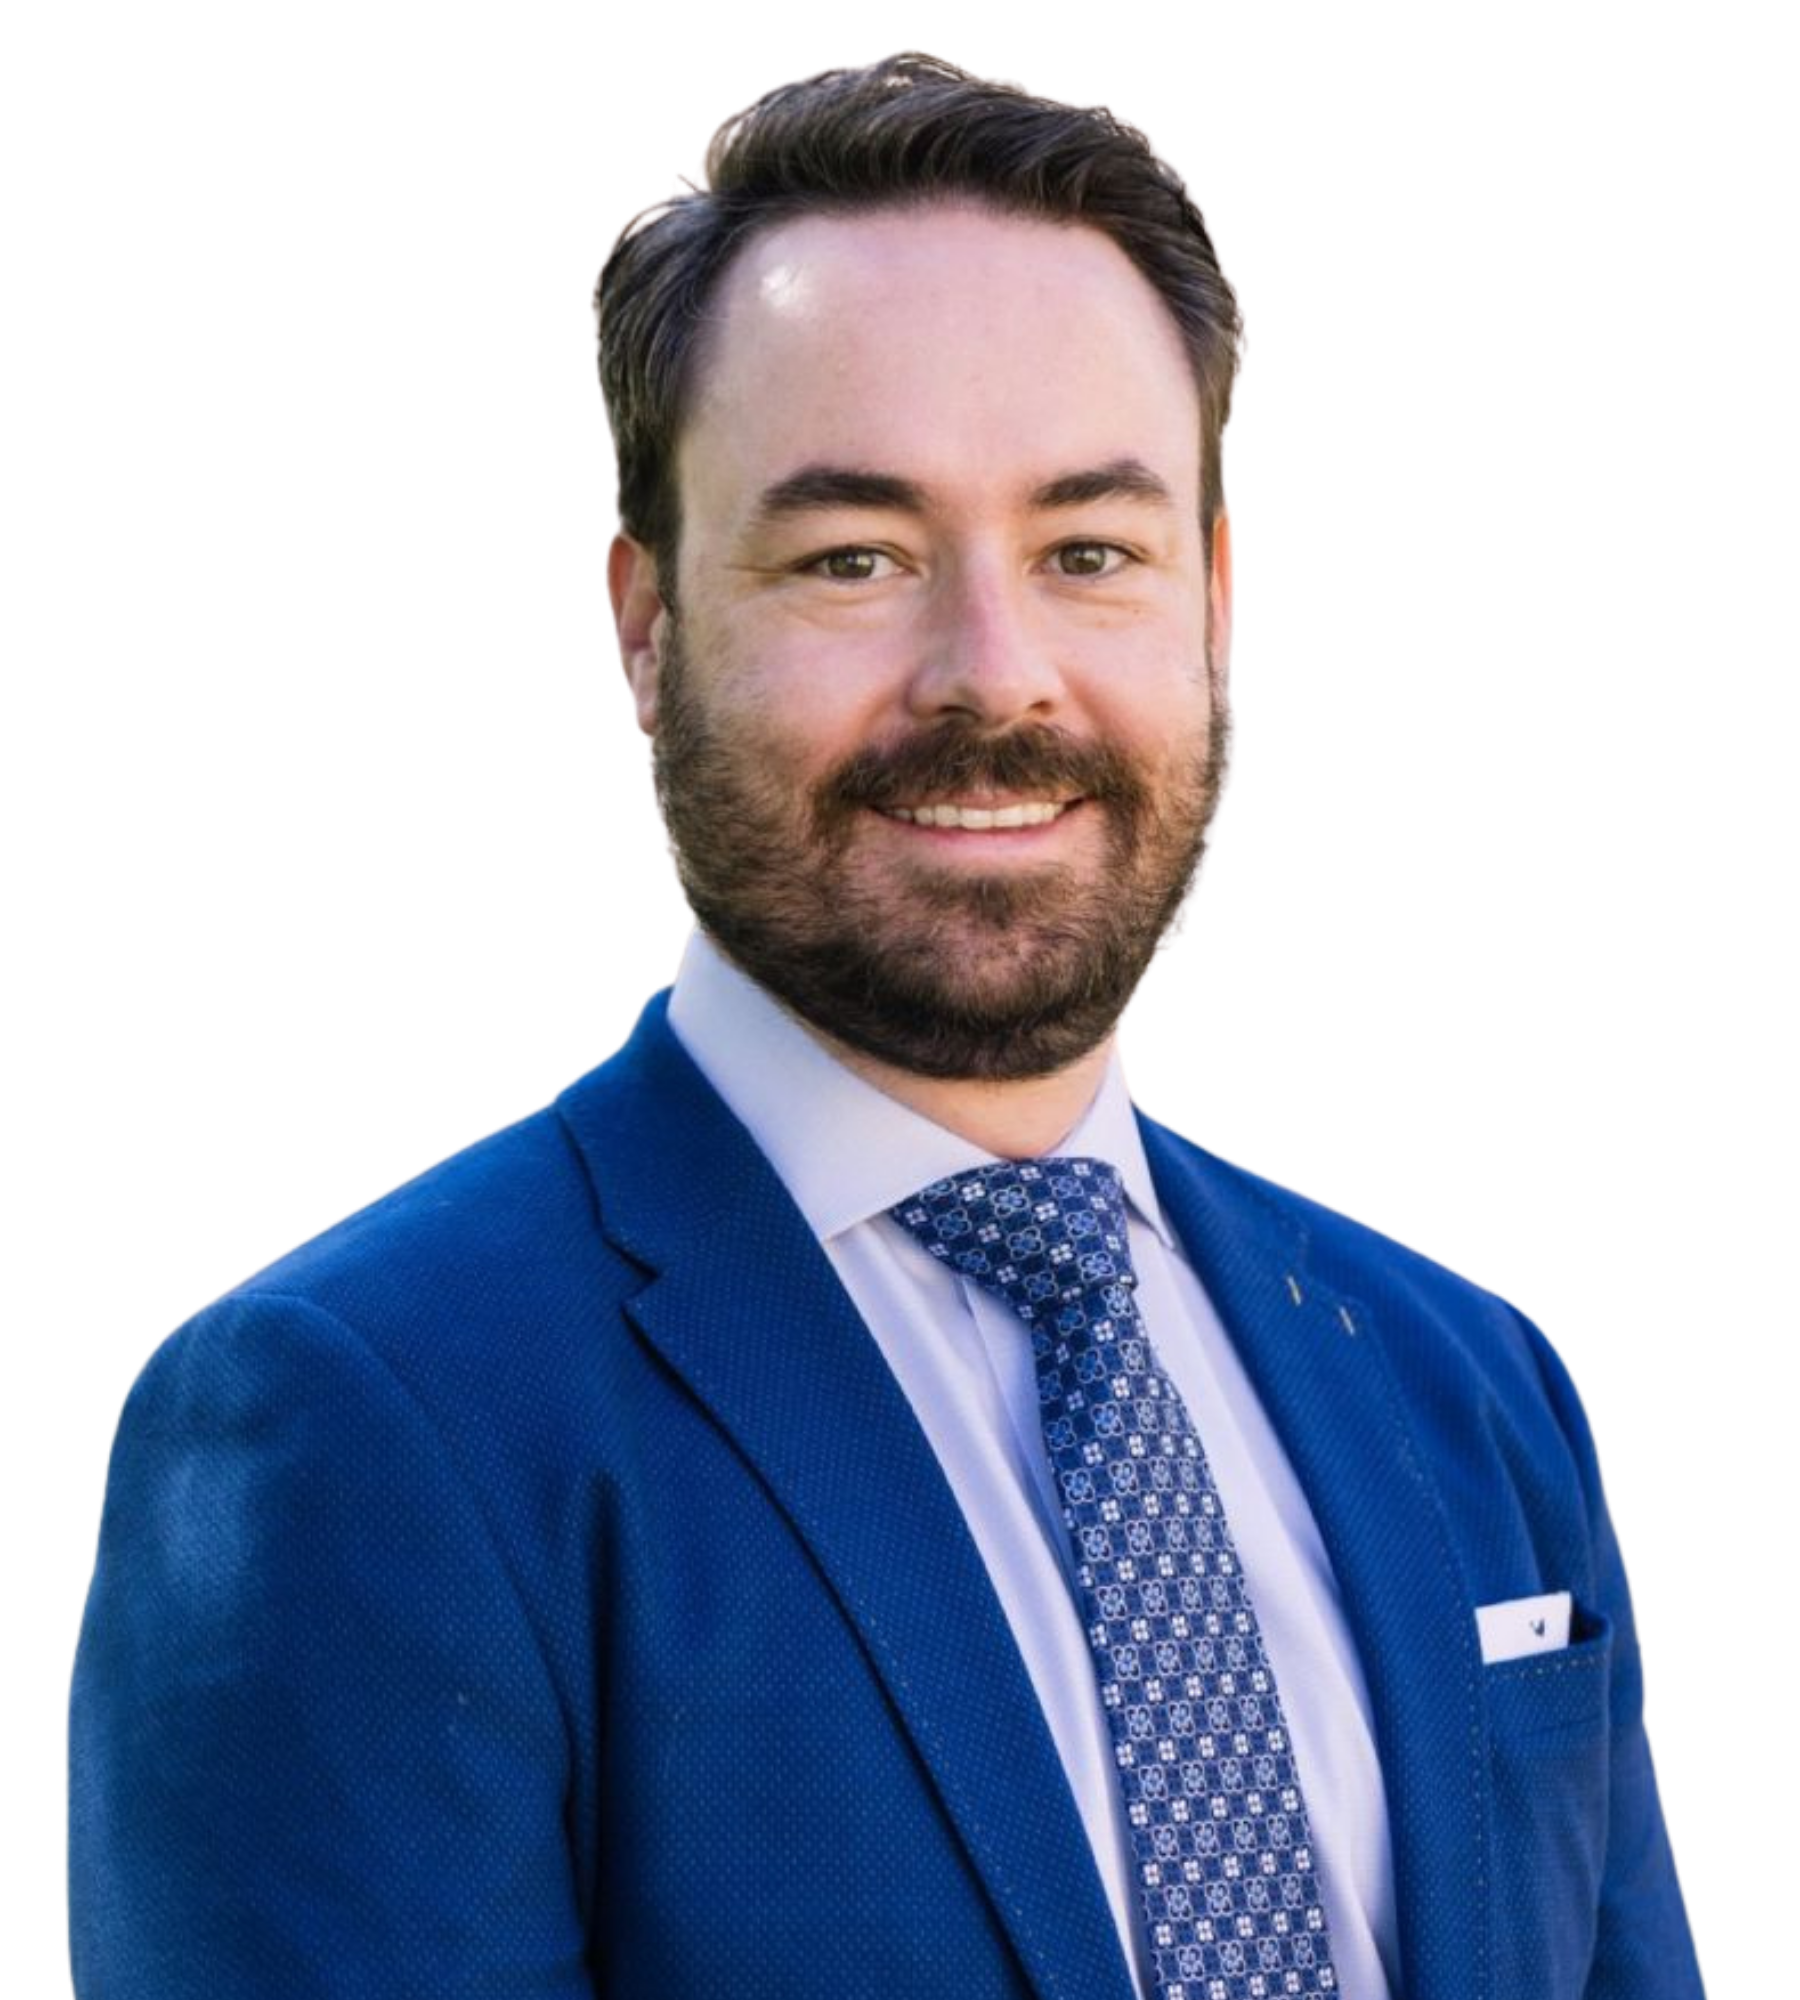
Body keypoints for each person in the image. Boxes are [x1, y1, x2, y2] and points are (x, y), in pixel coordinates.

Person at [69, 52, 1702, 2000]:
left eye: (1088, 551)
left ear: (1212, 599)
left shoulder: (1469, 1387)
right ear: (650, 624)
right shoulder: (361, 1423)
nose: (992, 678)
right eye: (854, 556)